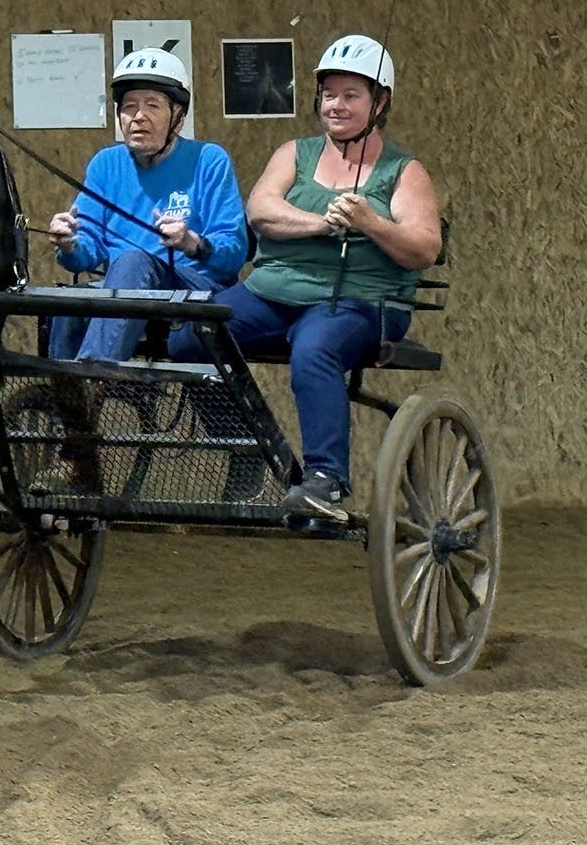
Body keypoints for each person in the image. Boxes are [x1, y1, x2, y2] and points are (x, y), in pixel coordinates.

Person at [168, 33, 443, 521]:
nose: (336, 106)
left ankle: (325, 479)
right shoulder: (295, 154)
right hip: (273, 291)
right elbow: (261, 212)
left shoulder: (403, 170)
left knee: (315, 349)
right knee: (191, 336)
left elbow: (423, 247)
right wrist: (323, 223)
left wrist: (370, 223)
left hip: (362, 302)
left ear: (380, 102)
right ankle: (244, 445)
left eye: (351, 95)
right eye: (329, 95)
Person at [47, 47, 248, 363]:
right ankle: (66, 400)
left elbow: (234, 254)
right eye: (129, 107)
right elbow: (86, 252)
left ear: (178, 118)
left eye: (152, 105)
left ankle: (90, 375)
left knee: (133, 262)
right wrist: (70, 244)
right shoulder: (106, 164)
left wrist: (191, 242)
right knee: (69, 301)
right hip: (123, 291)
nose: (138, 117)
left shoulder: (209, 160)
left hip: (193, 287)